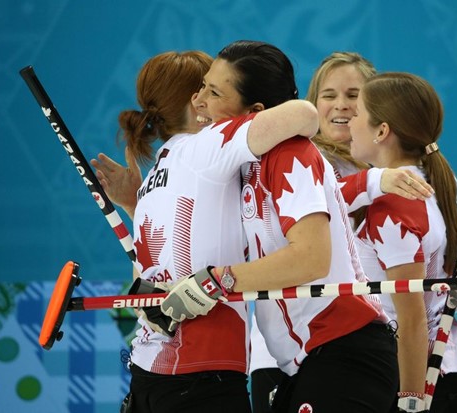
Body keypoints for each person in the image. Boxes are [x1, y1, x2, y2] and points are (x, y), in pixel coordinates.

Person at [158, 42, 409, 413]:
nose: (199, 101)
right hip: (303, 362)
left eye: (214, 92)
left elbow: (310, 259)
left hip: (346, 350)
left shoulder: (291, 153)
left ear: (256, 112)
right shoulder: (239, 167)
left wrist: (215, 281)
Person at [92, 46, 322, 413]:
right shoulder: (210, 143)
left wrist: (133, 205)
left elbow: (148, 273)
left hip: (147, 375)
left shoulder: (155, 175)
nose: (209, 98)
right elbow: (305, 115)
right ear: (194, 101)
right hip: (202, 372)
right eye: (208, 88)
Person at [345, 71, 457, 413]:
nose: (350, 123)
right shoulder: (430, 180)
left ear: (382, 131)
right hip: (429, 370)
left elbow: (410, 318)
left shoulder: (394, 205)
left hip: (412, 376)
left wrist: (410, 401)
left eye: (357, 115)